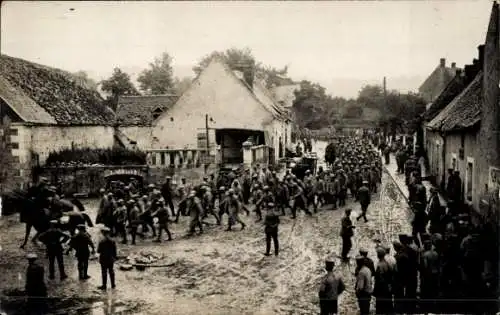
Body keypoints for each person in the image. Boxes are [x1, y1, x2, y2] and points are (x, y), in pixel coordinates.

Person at [374, 247, 393, 314]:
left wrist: (375, 289)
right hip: (387, 287)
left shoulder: (380, 265)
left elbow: (378, 278)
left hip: (381, 288)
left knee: (380, 306)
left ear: (378, 255)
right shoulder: (387, 263)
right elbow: (391, 274)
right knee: (388, 304)